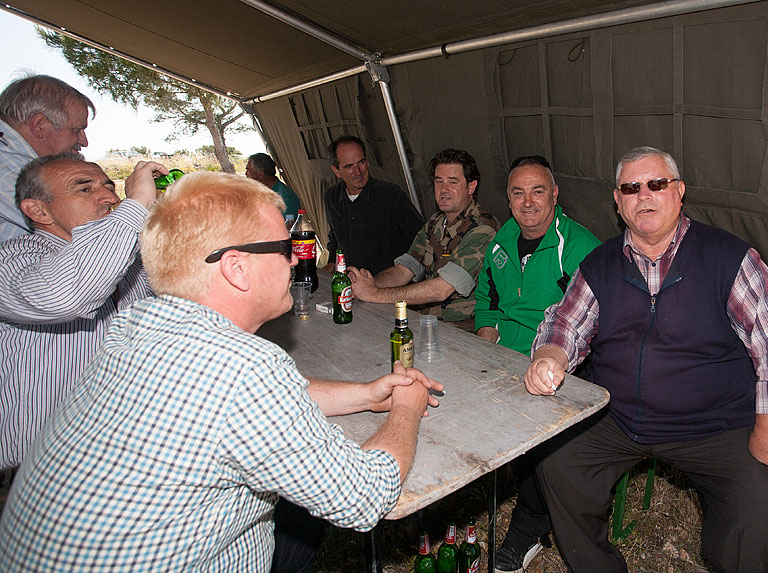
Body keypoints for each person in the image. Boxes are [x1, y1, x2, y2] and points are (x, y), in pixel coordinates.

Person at [0, 171, 443, 572]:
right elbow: (364, 496)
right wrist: (406, 406)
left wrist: (365, 394)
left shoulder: (134, 325)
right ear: (236, 268)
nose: (295, 261)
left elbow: (233, 403)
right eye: (284, 249)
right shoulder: (245, 369)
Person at [526, 146, 768, 571]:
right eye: (631, 188)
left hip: (715, 425)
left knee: (756, 521)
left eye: (656, 184)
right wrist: (549, 357)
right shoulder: (600, 263)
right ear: (618, 201)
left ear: (679, 192)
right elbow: (564, 324)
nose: (643, 195)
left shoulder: (726, 257)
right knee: (556, 459)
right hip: (617, 417)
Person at [472, 155, 601, 572]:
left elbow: (595, 324)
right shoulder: (502, 238)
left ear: (555, 195)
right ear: (508, 199)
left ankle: (529, 528)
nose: (528, 202)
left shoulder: (578, 248)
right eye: (518, 192)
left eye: (538, 191)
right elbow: (486, 299)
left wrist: (550, 363)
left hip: (559, 363)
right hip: (504, 354)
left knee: (541, 439)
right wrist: (486, 342)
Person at [0, 153, 163, 471]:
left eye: (110, 187)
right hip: (35, 473)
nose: (110, 198)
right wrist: (136, 206)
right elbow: (64, 295)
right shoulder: (13, 261)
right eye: (85, 189)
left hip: (120, 462)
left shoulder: (132, 262)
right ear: (39, 210)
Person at [347, 148, 499, 329]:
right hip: (427, 320)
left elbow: (442, 289)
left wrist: (375, 294)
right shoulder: (435, 222)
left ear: (471, 187)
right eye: (439, 181)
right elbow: (405, 269)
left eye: (452, 182)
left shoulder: (482, 228)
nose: (444, 190)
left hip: (464, 328)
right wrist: (366, 285)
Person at [0, 75, 94, 241]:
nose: (84, 142)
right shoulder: (9, 170)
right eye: (76, 130)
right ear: (39, 126)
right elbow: (89, 237)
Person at [324, 135, 423, 274]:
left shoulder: (391, 196)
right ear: (337, 171)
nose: (358, 172)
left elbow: (421, 239)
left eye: (361, 162)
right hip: (349, 281)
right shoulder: (331, 197)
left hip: (388, 282)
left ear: (368, 162)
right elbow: (335, 238)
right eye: (349, 166)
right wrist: (331, 263)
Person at [246, 152, 301, 224]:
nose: (246, 174)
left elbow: (286, 227)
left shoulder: (286, 197)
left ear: (260, 174)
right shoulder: (262, 194)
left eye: (248, 170)